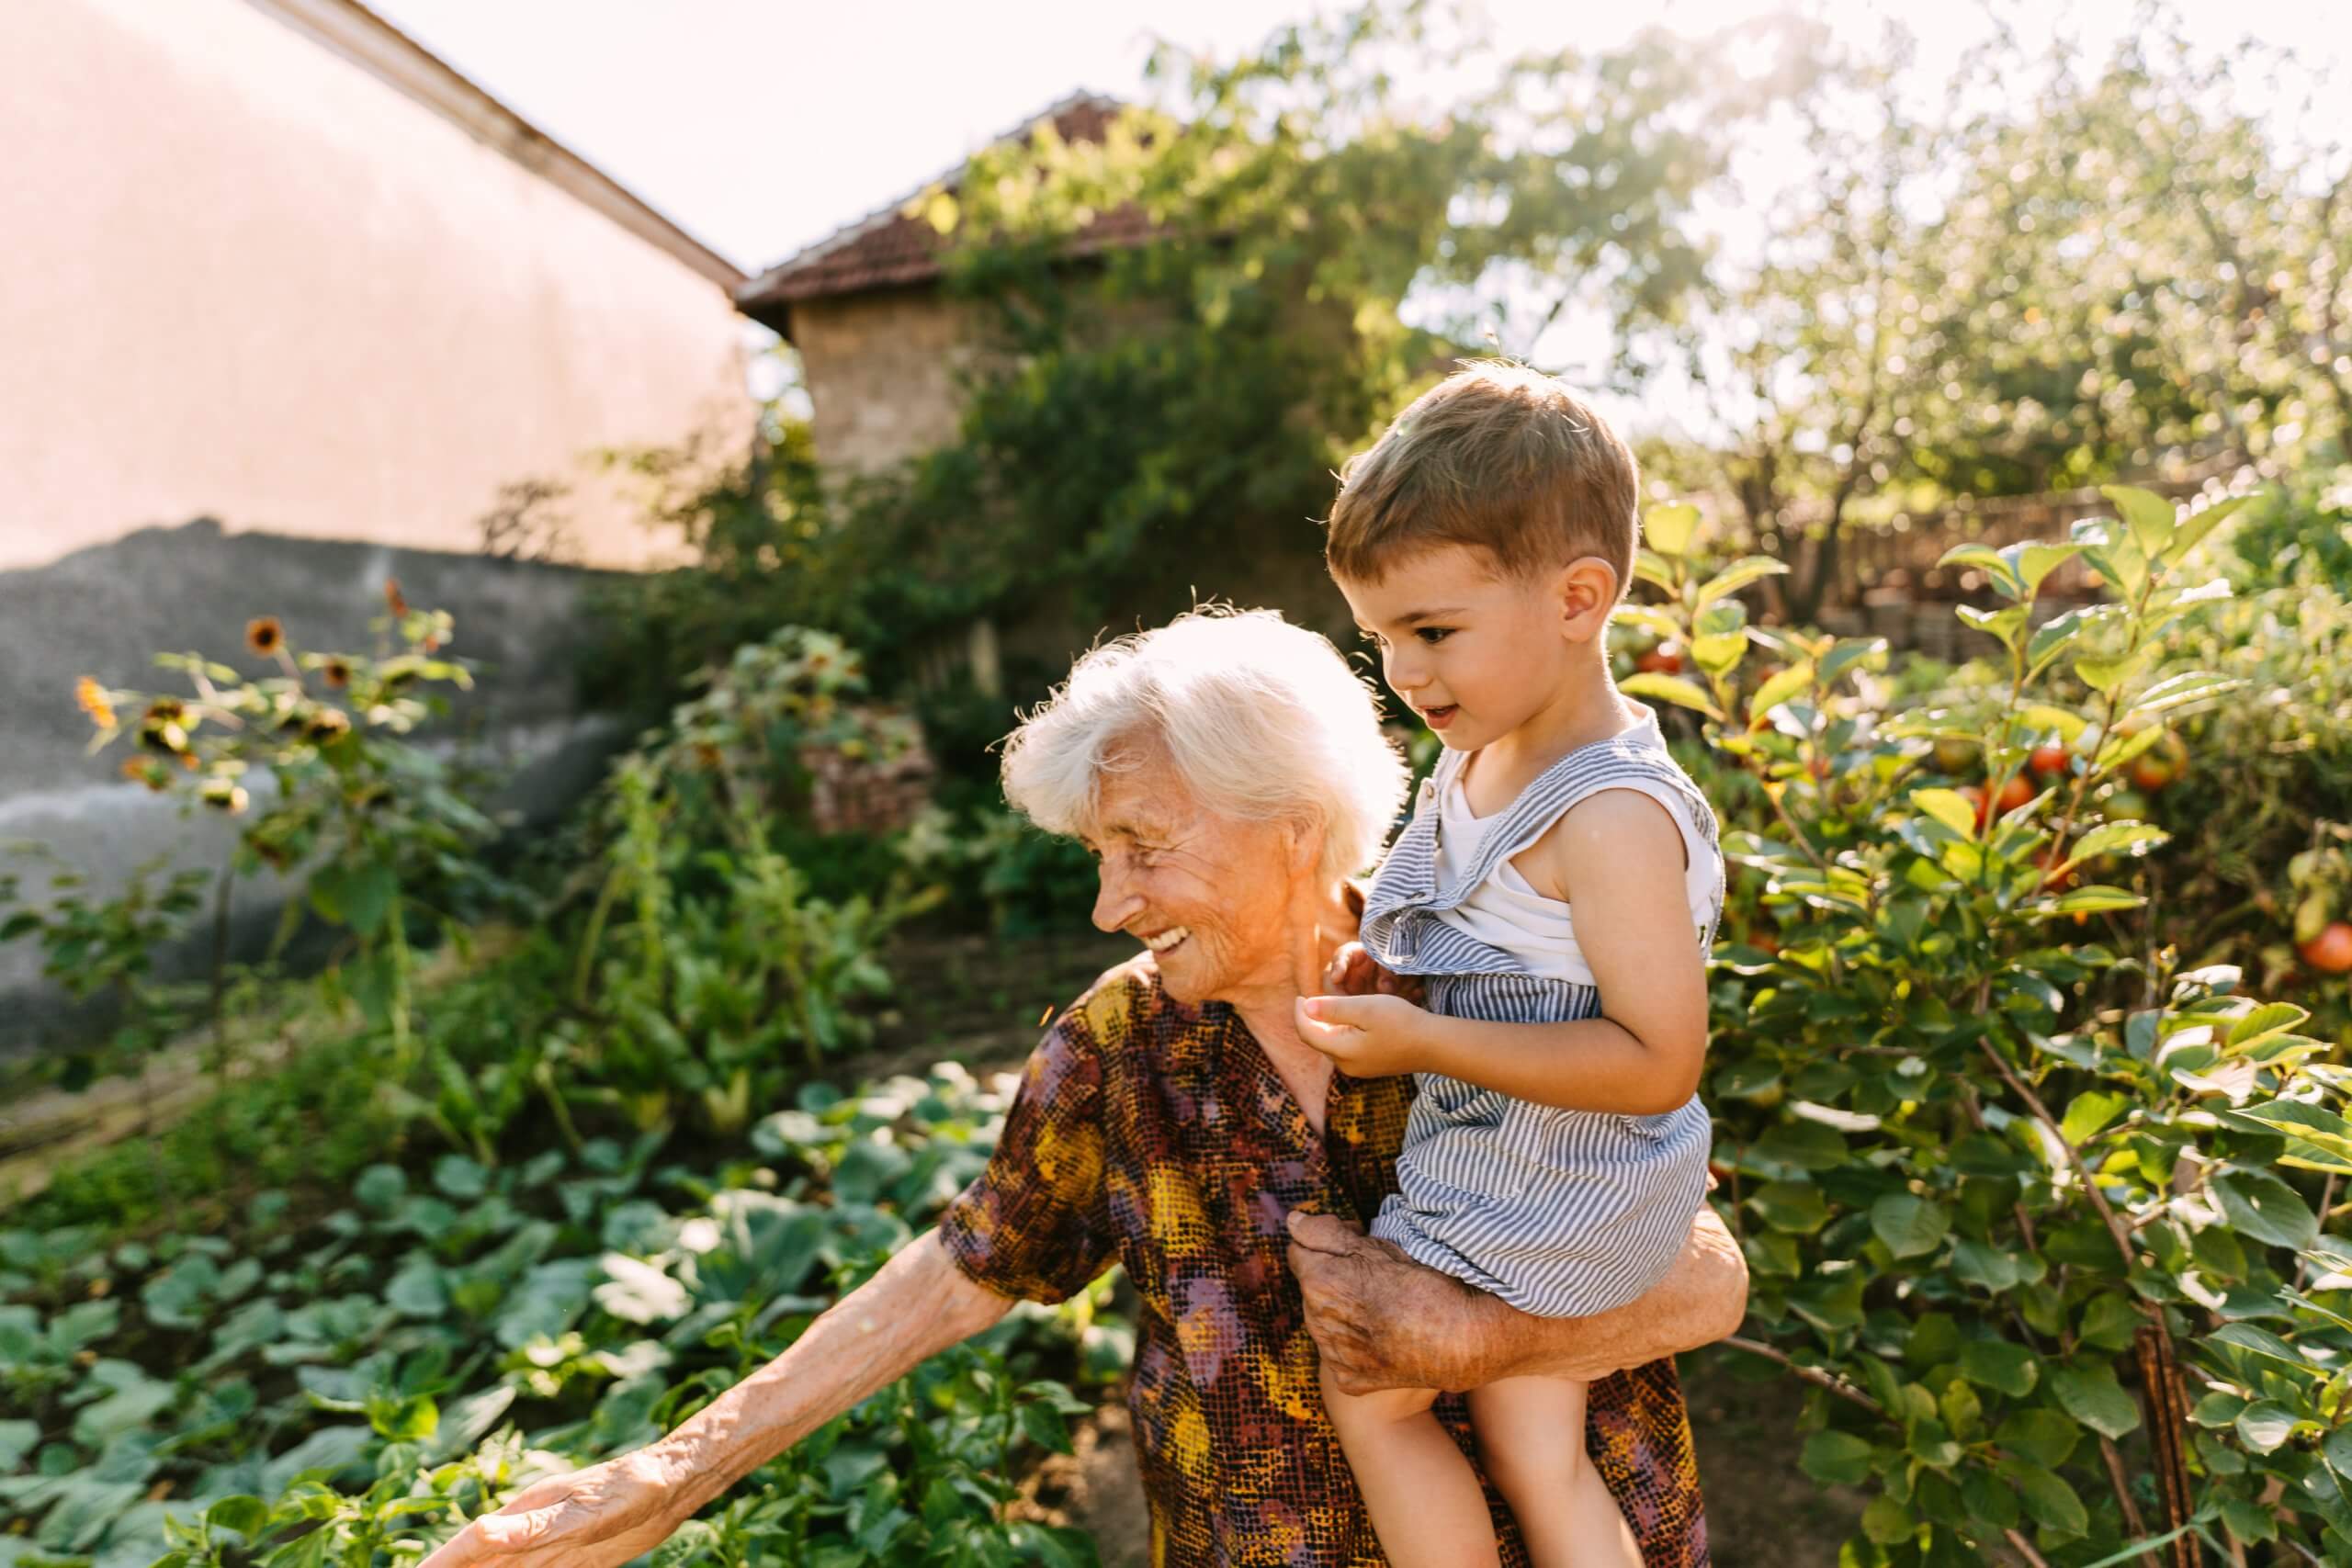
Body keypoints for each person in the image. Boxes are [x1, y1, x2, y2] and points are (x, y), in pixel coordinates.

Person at [419, 608, 1747, 1568]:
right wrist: (669, 1474)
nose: (1111, 904)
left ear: (1292, 820)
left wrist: (1480, 1338)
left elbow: (1709, 1276)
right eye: (1097, 856)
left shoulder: (1490, 976)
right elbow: (962, 1267)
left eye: (1143, 848)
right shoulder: (1120, 1054)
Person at [1296, 364, 1722, 1568]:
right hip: (1526, 1161)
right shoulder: (1484, 752)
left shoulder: (1609, 818)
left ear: (1579, 597)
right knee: (1537, 1447)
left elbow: (1658, 1061)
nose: (1407, 675)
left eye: (1433, 632)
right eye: (1381, 639)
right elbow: (1458, 906)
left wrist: (1427, 1040)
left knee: (1371, 1389)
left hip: (1566, 1178)